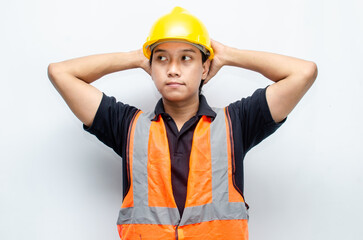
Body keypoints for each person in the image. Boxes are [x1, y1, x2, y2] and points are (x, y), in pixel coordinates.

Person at [48, 6, 317, 240]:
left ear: (204, 67)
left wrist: (229, 55)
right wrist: (135, 57)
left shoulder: (236, 122)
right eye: (162, 58)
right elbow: (60, 73)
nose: (173, 69)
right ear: (150, 67)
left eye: (186, 58)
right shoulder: (127, 126)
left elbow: (303, 72)